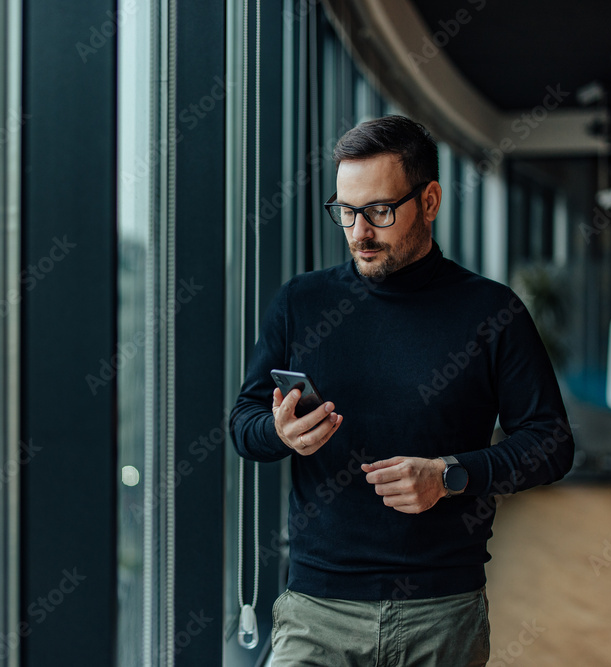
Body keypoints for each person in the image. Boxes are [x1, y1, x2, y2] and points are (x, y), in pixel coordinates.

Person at [229, 115, 574, 667]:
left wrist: (448, 475)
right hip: (317, 609)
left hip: (442, 611)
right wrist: (279, 431)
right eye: (345, 212)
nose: (359, 232)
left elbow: (551, 442)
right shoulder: (301, 303)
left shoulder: (492, 311)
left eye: (379, 211)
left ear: (430, 200)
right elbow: (243, 423)